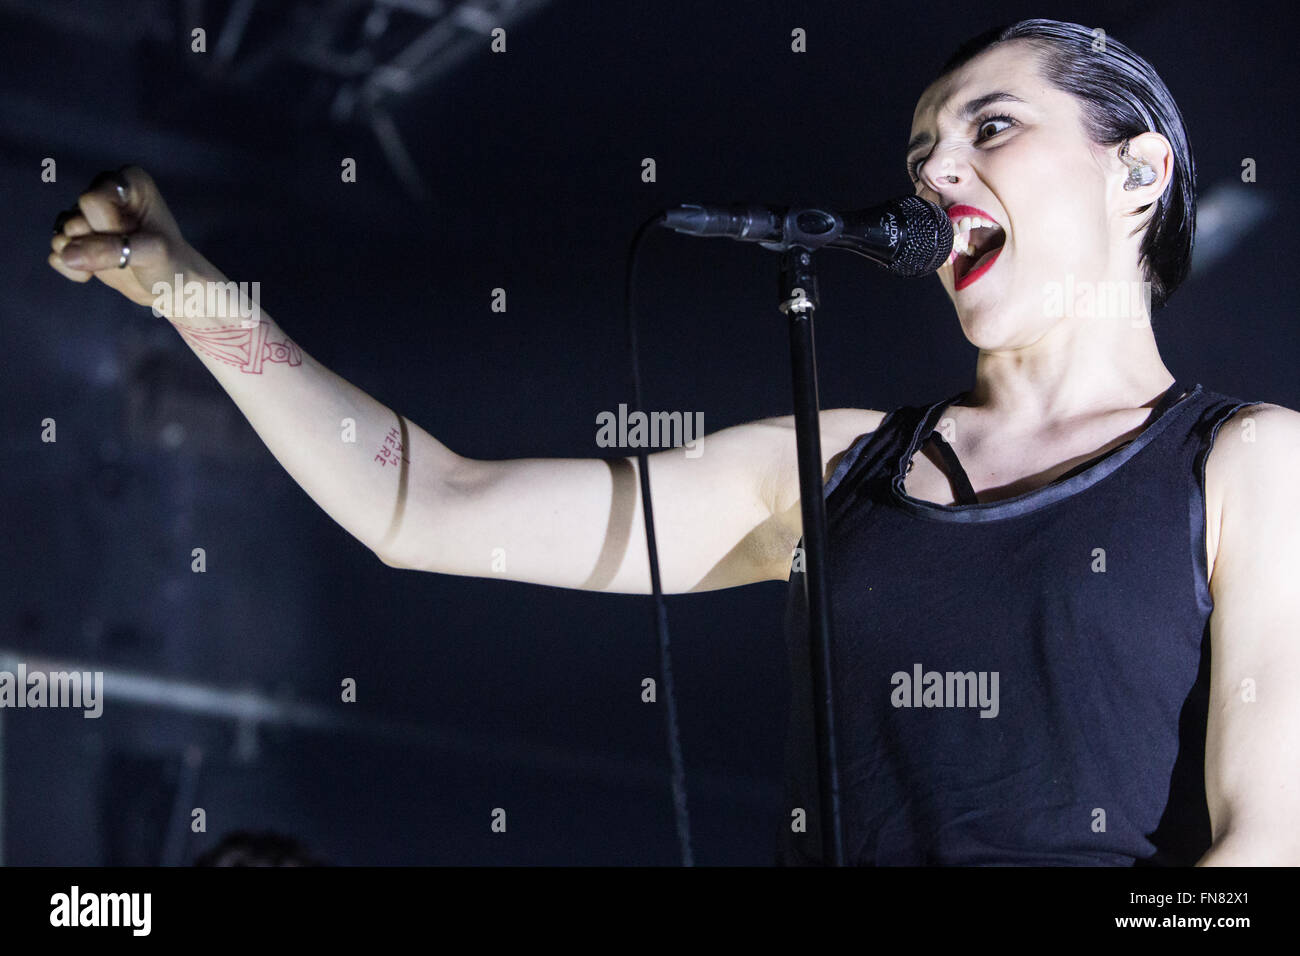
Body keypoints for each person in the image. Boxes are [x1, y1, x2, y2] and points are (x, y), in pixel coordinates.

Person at [47, 18, 1299, 866]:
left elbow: (1264, 846)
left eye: (989, 128)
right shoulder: (834, 463)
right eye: (921, 149)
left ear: (1135, 175)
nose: (933, 171)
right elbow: (429, 505)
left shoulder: (1244, 463)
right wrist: (193, 294)